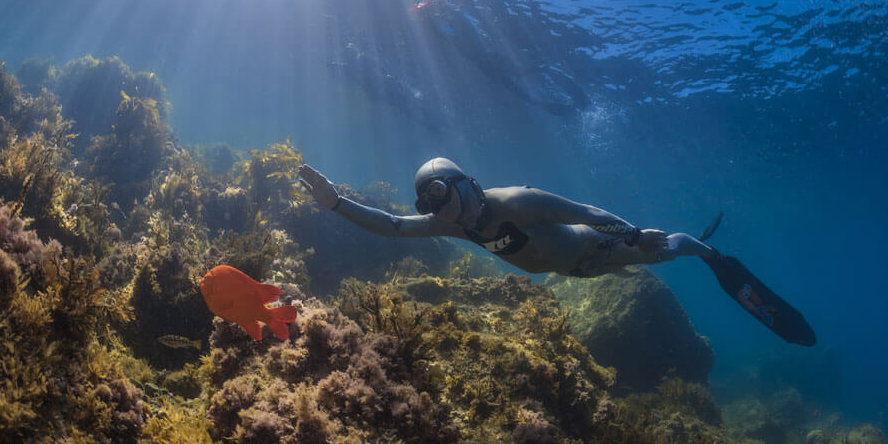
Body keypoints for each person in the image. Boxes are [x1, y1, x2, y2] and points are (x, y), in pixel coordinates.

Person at [298, 158, 815, 346]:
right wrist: (336, 203)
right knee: (647, 251)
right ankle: (680, 248)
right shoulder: (455, 224)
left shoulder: (517, 202)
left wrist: (631, 236)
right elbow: (391, 226)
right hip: (574, 275)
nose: (439, 211)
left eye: (442, 196)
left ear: (466, 184)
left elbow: (587, 211)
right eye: (429, 204)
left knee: (665, 248)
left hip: (599, 251)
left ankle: (707, 253)